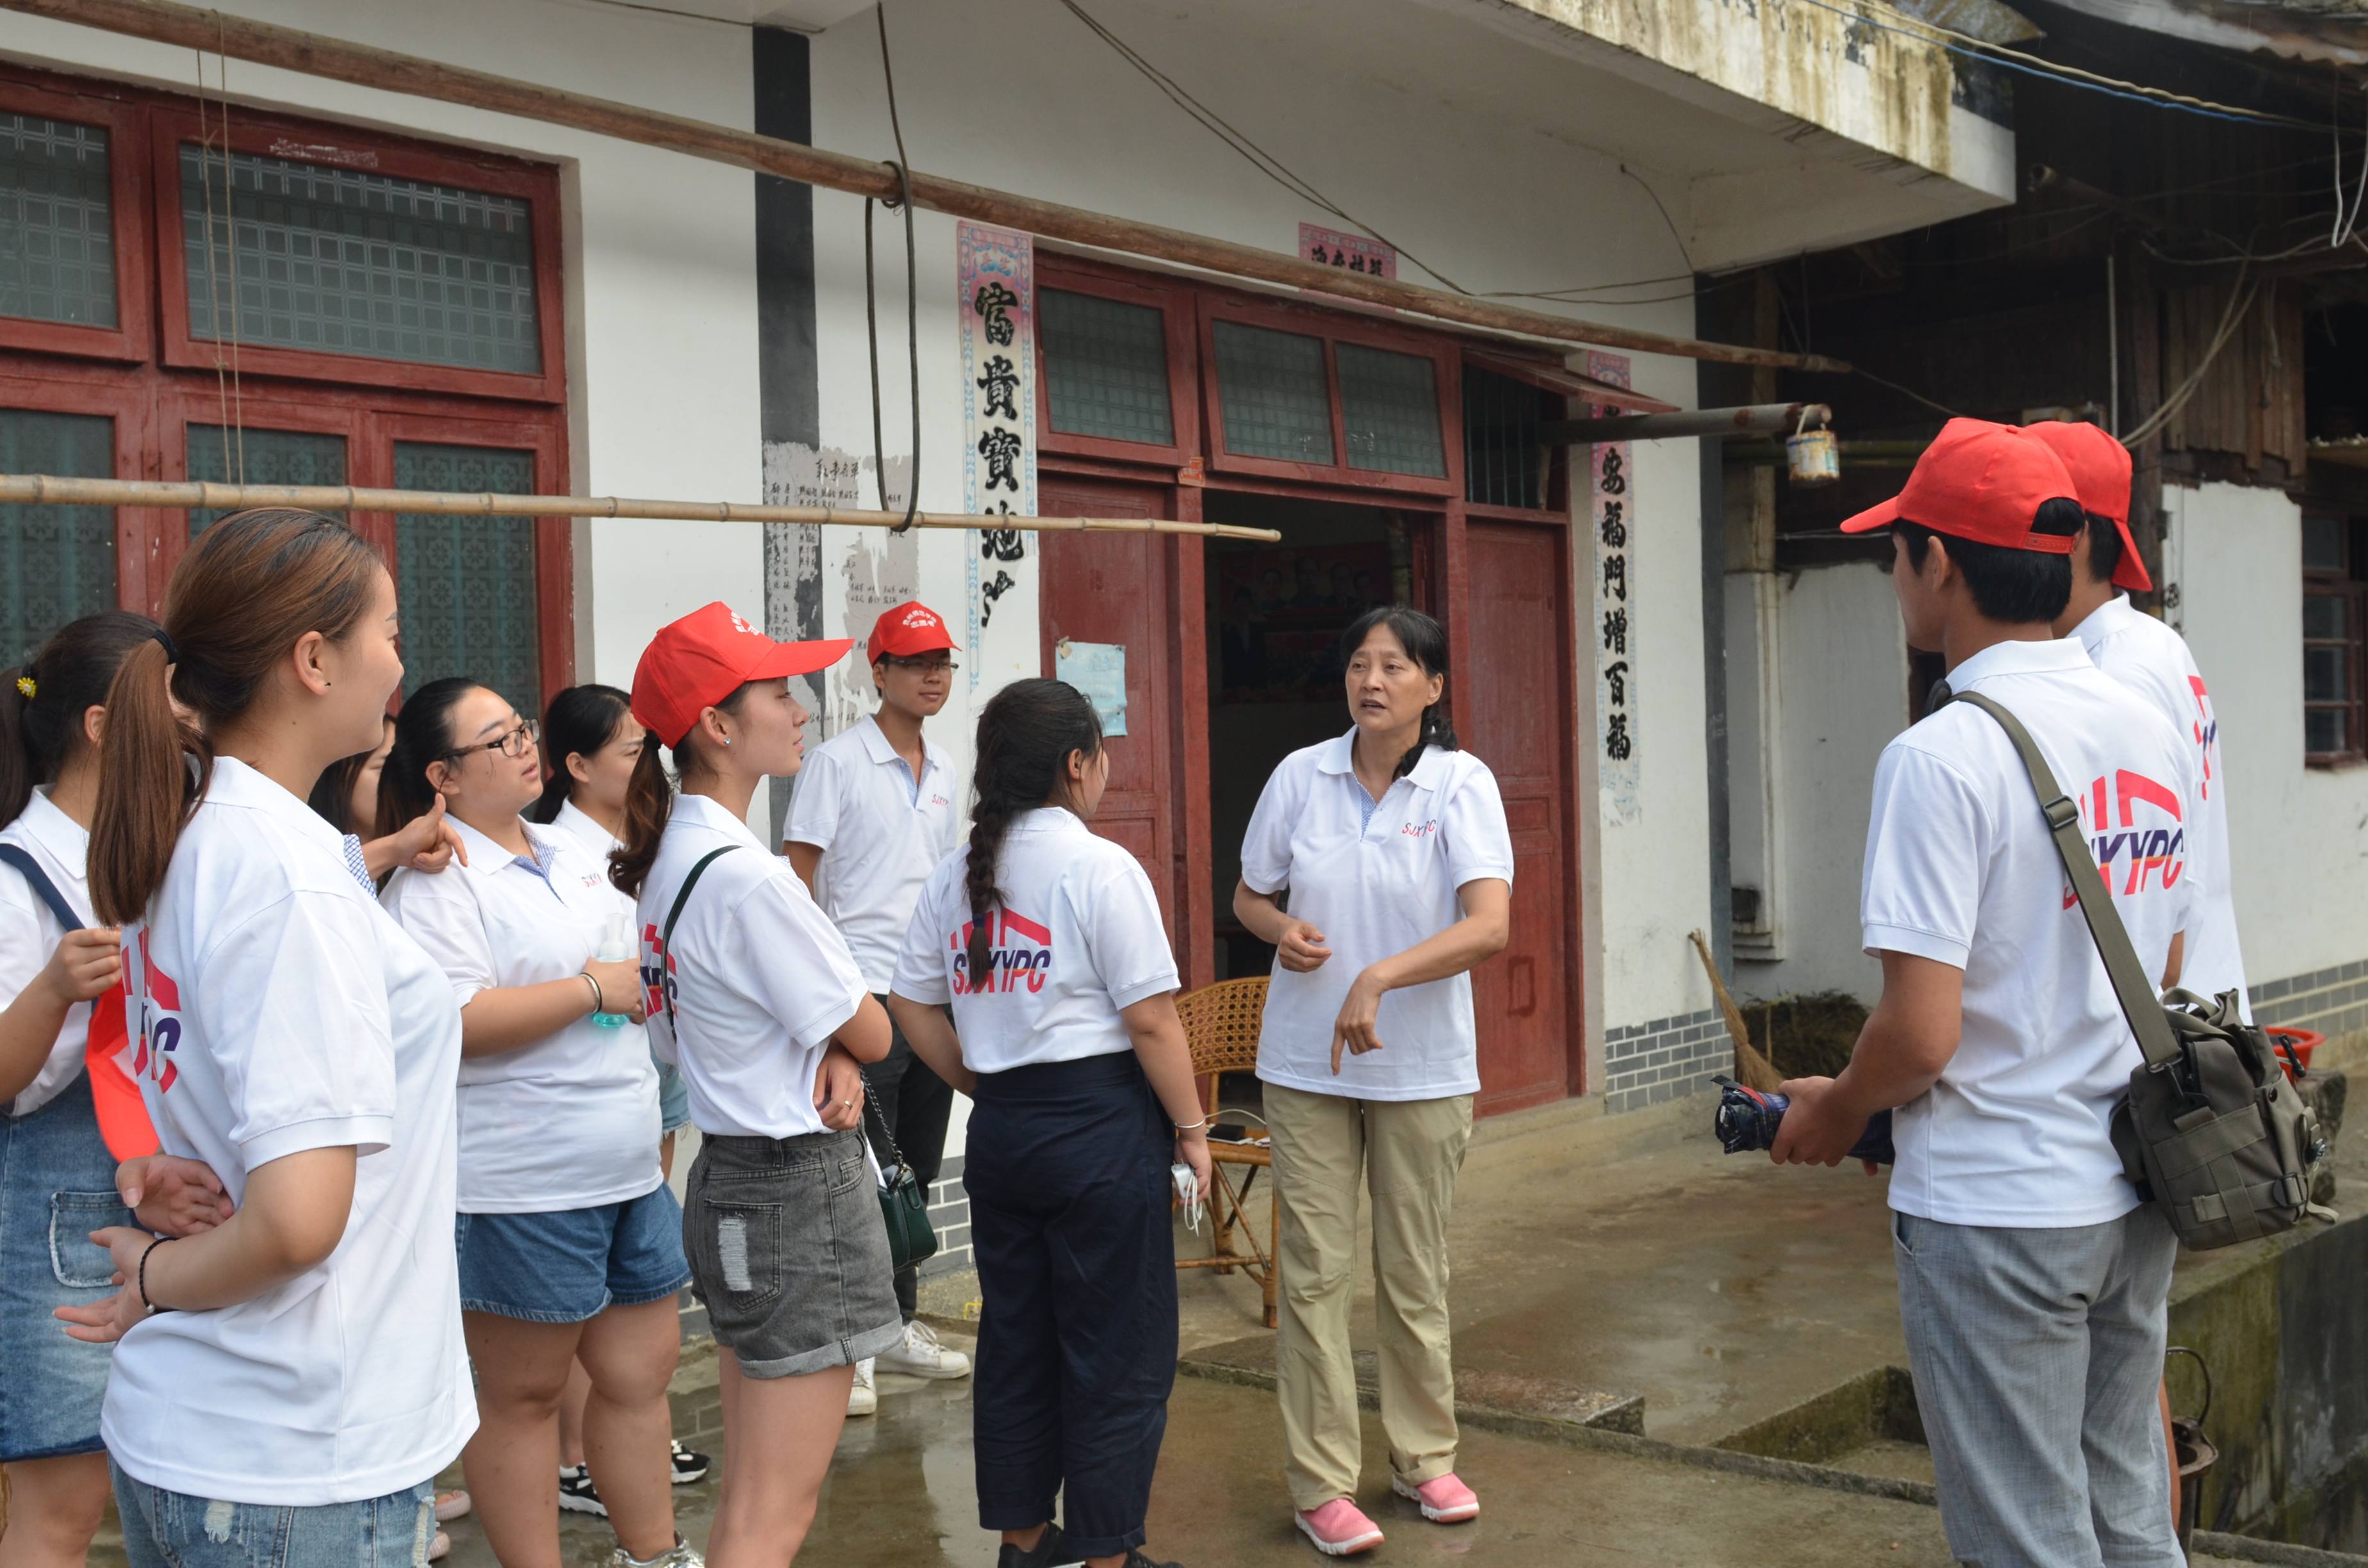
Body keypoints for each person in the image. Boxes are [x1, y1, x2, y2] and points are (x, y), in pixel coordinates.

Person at [1773, 420, 2195, 1568]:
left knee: (2024, 1536)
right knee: (2127, 1514)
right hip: (2133, 1184)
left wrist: (1839, 1106)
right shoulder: (2148, 720)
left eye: (1896, 551)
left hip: (2000, 1205)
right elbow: (2159, 966)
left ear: (1940, 564)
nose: (1895, 575)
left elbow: (1919, 1034)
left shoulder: (1943, 754)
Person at [64, 508, 477, 1565]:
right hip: (296, 1455)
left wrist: (153, 1174)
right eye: (387, 631)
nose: (399, 660)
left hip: (212, 1433)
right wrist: (153, 1277)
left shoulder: (211, 836)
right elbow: (299, 1223)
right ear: (311, 659)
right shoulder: (284, 874)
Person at [888, 676, 1210, 1568]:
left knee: (1020, 1345)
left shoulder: (954, 875)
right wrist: (1190, 1129)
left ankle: (1027, 1546)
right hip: (1099, 1133)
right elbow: (1150, 1020)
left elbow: (909, 1004)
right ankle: (1106, 1555)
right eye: (1100, 755)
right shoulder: (1100, 867)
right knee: (1119, 1353)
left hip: (1005, 1138)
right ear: (1078, 764)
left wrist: (981, 1083)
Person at [379, 679, 695, 1568]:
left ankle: (655, 1553)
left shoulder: (575, 851)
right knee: (524, 1398)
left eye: (521, 729)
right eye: (497, 740)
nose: (525, 745)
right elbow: (456, 1022)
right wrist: (594, 989)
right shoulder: (440, 880)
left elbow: (642, 966)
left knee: (638, 1379)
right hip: (522, 1184)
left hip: (629, 1167)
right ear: (442, 774)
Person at [611, 601, 896, 1568]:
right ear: (716, 728)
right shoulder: (750, 877)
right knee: (773, 1520)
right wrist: (847, 1043)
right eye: (778, 690)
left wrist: (837, 1046)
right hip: (796, 1197)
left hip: (731, 1181)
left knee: (746, 1508)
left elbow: (685, 1037)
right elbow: (873, 1024)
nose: (802, 704)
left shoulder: (670, 865)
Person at [1229, 605, 1512, 1558]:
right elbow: (1249, 896)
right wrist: (1280, 932)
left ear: (1434, 688)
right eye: (1359, 664)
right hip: (1307, 1061)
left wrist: (1380, 975)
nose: (1373, 680)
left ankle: (1424, 1461)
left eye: (1395, 666)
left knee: (1413, 1273)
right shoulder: (1299, 778)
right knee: (1313, 1275)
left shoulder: (1461, 785)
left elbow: (1489, 925)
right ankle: (1320, 1485)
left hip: (1424, 1066)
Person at [0, 612, 232, 1568]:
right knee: (61, 1508)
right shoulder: (20, 874)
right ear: (103, 725)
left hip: (152, 1213)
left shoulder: (152, 858)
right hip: (53, 1228)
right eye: (172, 696)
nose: (192, 720)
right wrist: (54, 987)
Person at [785, 601, 972, 1418]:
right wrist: (821, 1003)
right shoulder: (836, 762)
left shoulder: (949, 768)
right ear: (879, 671)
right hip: (861, 997)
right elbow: (797, 881)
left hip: (931, 995)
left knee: (915, 1171)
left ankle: (895, 1328)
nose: (933, 676)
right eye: (916, 662)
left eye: (944, 663)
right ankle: (857, 1345)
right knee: (858, 1175)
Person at [525, 682, 710, 1506]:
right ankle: (574, 1457)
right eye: (629, 748)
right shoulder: (552, 854)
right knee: (583, 1293)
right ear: (575, 764)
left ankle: (626, 1444)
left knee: (634, 1286)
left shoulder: (643, 838)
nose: (646, 761)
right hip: (590, 1086)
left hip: (647, 1067)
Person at [2028, 418, 2247, 1013]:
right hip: (2190, 1002)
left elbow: (2141, 894)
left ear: (2068, 537)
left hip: (2157, 1021)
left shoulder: (2113, 673)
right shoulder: (2150, 642)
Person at [308, 712, 466, 881]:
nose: (400, 783)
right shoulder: (298, 855)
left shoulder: (425, 860)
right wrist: (392, 850)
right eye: (384, 769)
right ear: (334, 778)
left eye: (403, 770)